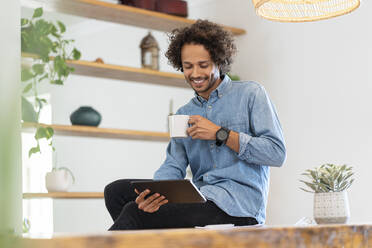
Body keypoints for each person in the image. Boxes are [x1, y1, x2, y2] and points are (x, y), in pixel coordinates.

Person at [104, 20, 286, 230]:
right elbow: (173, 166)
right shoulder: (184, 113)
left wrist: (221, 134)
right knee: (116, 192)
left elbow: (276, 153)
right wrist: (153, 193)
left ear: (219, 61)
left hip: (238, 206)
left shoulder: (251, 94)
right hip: (201, 196)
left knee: (135, 213)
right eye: (188, 66)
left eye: (203, 65)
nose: (195, 74)